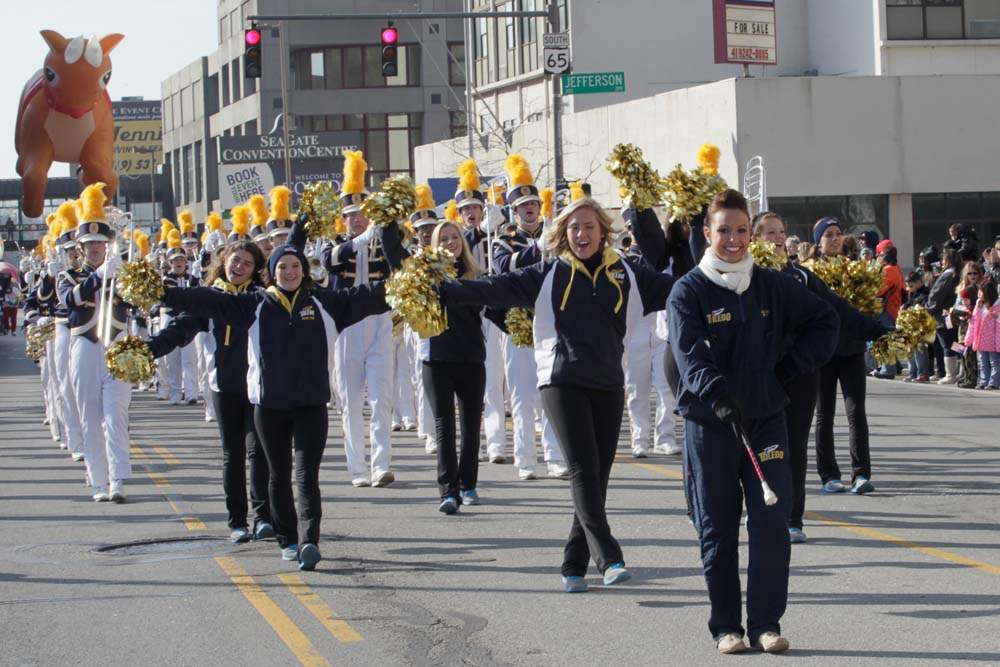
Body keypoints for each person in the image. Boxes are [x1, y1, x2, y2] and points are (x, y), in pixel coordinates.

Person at [439, 195, 676, 593]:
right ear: (563, 234)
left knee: (598, 477)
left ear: (603, 232)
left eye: (589, 226)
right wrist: (444, 290)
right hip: (561, 381)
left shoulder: (627, 274)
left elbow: (680, 289)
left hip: (608, 383)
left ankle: (572, 563)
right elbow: (493, 288)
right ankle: (609, 556)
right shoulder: (548, 273)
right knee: (583, 468)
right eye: (574, 227)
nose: (581, 234)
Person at [155, 233, 391, 571]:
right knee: (278, 475)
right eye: (283, 266)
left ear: (304, 271)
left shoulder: (326, 304)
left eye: (296, 266)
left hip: (311, 405)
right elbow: (203, 301)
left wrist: (406, 262)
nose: (290, 272)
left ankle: (310, 540)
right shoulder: (255, 305)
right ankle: (288, 539)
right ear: (272, 271)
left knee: (307, 476)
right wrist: (159, 291)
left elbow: (377, 296)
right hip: (269, 407)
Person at [671, 191, 838, 655]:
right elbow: (688, 355)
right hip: (712, 426)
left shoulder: (770, 285)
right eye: (723, 230)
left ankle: (766, 623)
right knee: (718, 529)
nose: (733, 240)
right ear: (708, 233)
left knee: (770, 524)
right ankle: (726, 627)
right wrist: (718, 395)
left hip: (765, 421)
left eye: (741, 230)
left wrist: (787, 369)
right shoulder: (689, 290)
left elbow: (824, 320)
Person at [752, 212, 886, 542]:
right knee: (760, 446)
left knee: (794, 445)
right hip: (756, 376)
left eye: (781, 231)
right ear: (754, 239)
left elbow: (838, 310)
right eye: (769, 232)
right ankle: (759, 506)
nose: (778, 238)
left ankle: (793, 517)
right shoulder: (744, 278)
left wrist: (878, 329)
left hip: (798, 373)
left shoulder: (800, 277)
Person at [146, 240, 275, 543]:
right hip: (223, 387)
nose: (239, 267)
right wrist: (147, 350)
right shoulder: (210, 299)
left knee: (259, 453)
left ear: (255, 270)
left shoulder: (260, 298)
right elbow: (180, 330)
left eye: (247, 263)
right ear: (223, 261)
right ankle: (237, 522)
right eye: (235, 260)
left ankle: (264, 517)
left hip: (257, 387)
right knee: (233, 454)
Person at [322, 151, 397, 487]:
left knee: (382, 398)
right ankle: (357, 468)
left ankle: (381, 464)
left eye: (362, 215)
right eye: (351, 216)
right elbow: (329, 262)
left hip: (381, 323)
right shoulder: (337, 244)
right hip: (348, 327)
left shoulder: (383, 243)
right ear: (343, 219)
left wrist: (388, 229)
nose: (357, 220)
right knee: (350, 401)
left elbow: (401, 262)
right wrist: (356, 243)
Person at [490, 154, 566, 480]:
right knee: (522, 396)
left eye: (533, 204)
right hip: (518, 323)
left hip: (549, 322)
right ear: (514, 211)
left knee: (550, 391)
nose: (530, 209)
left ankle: (555, 456)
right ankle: (525, 460)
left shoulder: (554, 235)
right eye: (523, 206)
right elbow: (505, 267)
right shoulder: (503, 241)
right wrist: (538, 249)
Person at [58, 183, 131, 502]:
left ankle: (118, 478)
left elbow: (140, 304)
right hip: (85, 346)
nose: (95, 249)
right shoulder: (69, 276)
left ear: (107, 244)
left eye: (100, 244)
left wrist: (128, 275)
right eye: (89, 244)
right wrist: (100, 276)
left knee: (116, 414)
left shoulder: (120, 271)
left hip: (117, 344)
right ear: (81, 247)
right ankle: (97, 479)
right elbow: (70, 300)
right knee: (89, 414)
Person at [418, 219, 487, 513]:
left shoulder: (476, 275)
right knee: (444, 427)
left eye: (454, 237)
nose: (450, 243)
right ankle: (448, 491)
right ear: (434, 244)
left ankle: (468, 483)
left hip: (471, 358)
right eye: (443, 238)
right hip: (437, 359)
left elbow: (493, 311)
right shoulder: (424, 277)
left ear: (462, 242)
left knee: (471, 427)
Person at [810, 217, 879, 495]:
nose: (835, 238)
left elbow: (869, 305)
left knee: (856, 412)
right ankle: (829, 474)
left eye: (838, 234)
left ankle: (861, 474)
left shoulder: (857, 269)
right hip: (823, 353)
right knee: (824, 414)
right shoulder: (809, 273)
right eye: (828, 235)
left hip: (851, 349)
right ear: (818, 242)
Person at [454, 159, 509, 465]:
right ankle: (496, 443)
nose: (472, 214)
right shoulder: (458, 238)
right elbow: (469, 241)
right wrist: (482, 229)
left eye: (476, 208)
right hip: (475, 313)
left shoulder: (497, 230)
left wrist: (497, 217)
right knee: (490, 382)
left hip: (500, 308)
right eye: (466, 210)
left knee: (508, 380)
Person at [161, 232, 199, 405]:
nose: (179, 263)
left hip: (188, 319)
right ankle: (176, 392)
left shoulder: (192, 278)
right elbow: (172, 298)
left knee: (189, 358)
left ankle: (191, 392)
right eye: (175, 261)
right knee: (172, 358)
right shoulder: (166, 279)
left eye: (181, 260)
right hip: (170, 318)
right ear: (170, 263)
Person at [926, 248, 962, 384]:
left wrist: (928, 309)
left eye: (943, 259)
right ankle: (962, 371)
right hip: (954, 313)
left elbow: (936, 294)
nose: (941, 262)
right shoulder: (958, 273)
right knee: (956, 343)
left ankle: (950, 374)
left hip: (944, 315)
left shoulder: (948, 274)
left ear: (948, 260)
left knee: (947, 344)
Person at [872, 240, 905, 379]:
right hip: (893, 307)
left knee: (884, 338)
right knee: (888, 337)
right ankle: (894, 366)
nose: (877, 258)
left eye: (879, 255)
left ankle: (888, 369)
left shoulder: (888, 270)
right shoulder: (896, 268)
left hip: (887, 308)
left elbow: (877, 291)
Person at [964, 280, 1000, 390]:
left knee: (994, 362)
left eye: (981, 292)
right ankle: (984, 381)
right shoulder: (979, 305)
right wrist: (969, 339)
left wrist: (996, 316)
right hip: (980, 339)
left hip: (993, 340)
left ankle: (993, 382)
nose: (979, 294)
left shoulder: (997, 306)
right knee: (983, 363)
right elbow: (974, 322)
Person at [902, 271, 932, 383]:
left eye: (911, 286)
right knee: (910, 349)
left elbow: (920, 304)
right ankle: (912, 373)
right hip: (910, 323)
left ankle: (923, 374)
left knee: (919, 350)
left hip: (919, 324)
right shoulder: (912, 293)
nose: (909, 288)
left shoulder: (925, 293)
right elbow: (909, 303)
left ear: (919, 282)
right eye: (908, 286)